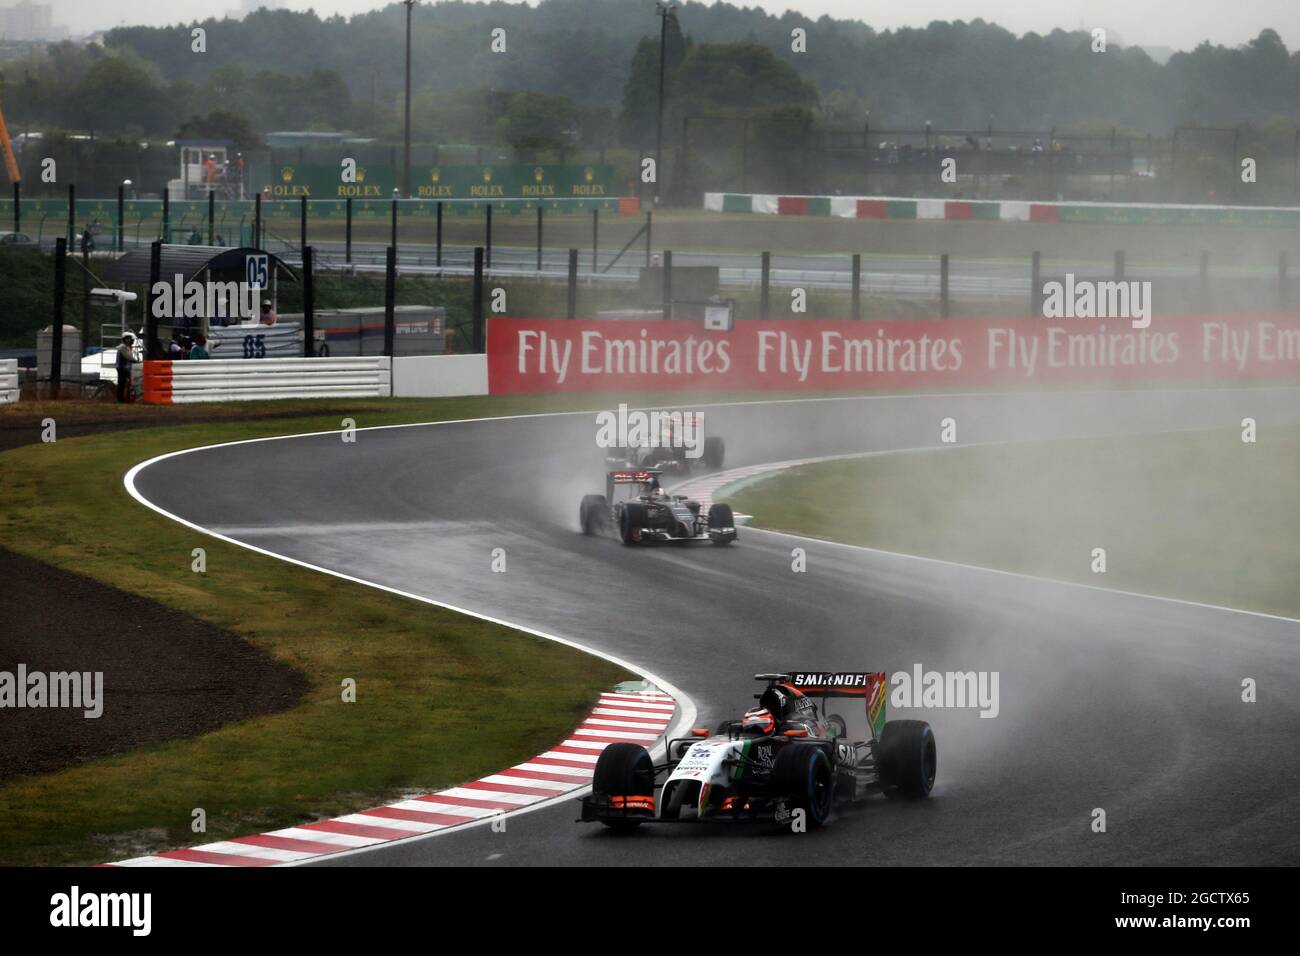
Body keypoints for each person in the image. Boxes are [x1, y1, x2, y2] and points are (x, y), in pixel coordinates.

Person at [115, 333, 136, 403]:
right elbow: (128, 357)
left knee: (124, 383)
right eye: (127, 339)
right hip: (122, 368)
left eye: (130, 338)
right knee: (121, 383)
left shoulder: (126, 347)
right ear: (124, 339)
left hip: (124, 367)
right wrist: (136, 361)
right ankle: (120, 399)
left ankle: (125, 398)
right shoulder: (122, 347)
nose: (129, 340)